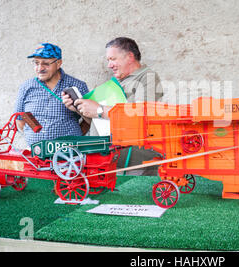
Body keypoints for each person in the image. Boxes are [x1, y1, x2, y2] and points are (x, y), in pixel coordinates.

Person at [61, 37, 163, 175]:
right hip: (111, 161)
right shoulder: (116, 82)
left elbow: (141, 116)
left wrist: (99, 110)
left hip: (134, 166)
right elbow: (101, 122)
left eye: (113, 59)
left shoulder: (147, 77)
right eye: (108, 60)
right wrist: (80, 110)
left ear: (130, 57)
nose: (109, 65)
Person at [14, 42, 89, 147]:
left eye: (46, 63)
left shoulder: (77, 86)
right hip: (35, 156)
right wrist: (35, 137)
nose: (40, 68)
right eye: (36, 63)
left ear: (58, 63)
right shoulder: (26, 87)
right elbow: (20, 121)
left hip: (67, 155)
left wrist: (74, 138)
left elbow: (89, 120)